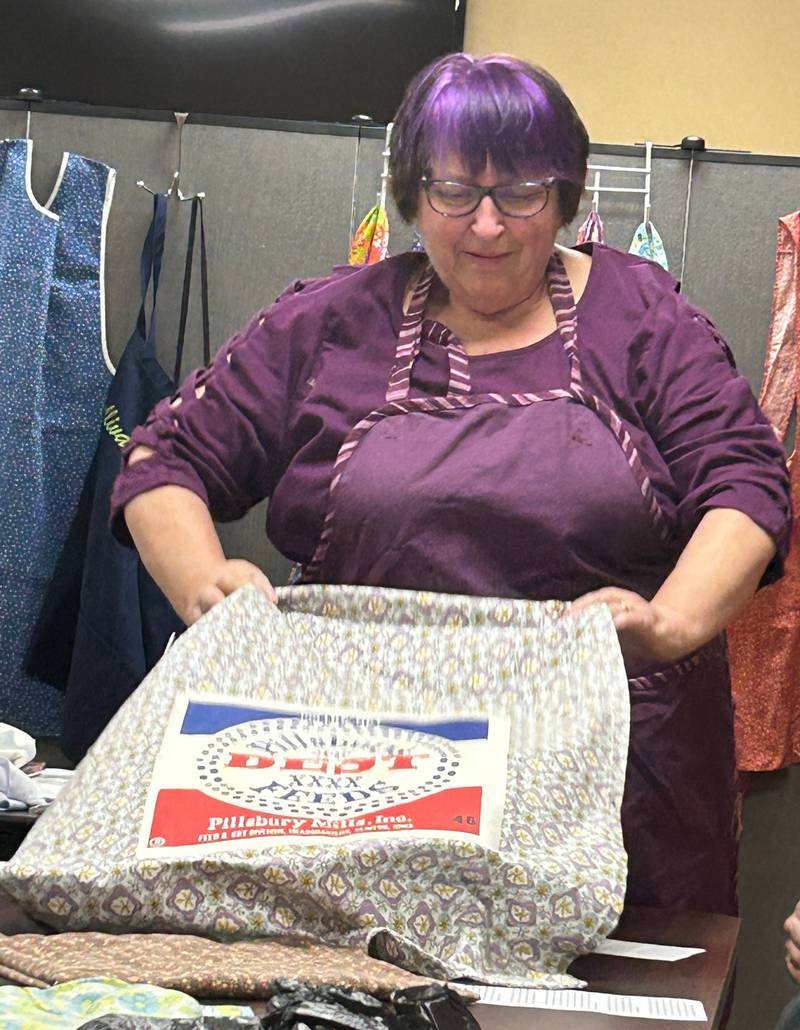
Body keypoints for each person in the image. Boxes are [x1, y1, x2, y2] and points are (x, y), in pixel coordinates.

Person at [111, 52, 791, 917]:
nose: (488, 227)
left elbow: (746, 480)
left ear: (567, 193)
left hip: (619, 790)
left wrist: (668, 624)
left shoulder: (641, 319)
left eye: (521, 193)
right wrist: (208, 587)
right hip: (361, 786)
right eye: (455, 192)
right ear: (410, 194)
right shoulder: (331, 322)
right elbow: (165, 458)